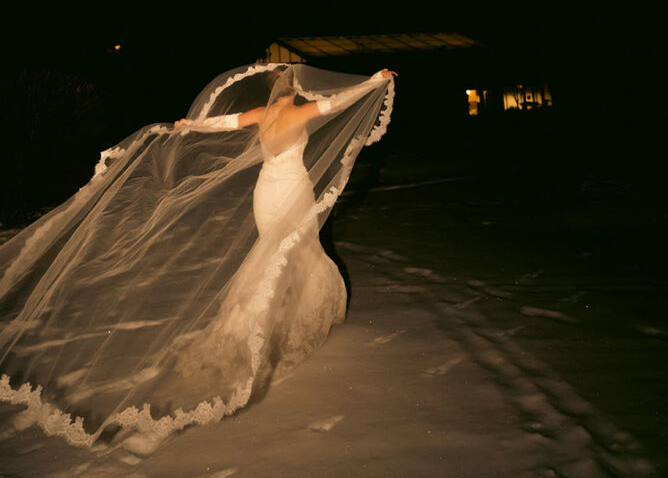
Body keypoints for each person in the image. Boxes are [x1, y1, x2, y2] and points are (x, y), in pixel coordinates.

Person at [0, 61, 396, 454]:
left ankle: (249, 325)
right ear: (295, 87)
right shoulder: (299, 112)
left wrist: (191, 125)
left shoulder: (263, 114)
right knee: (300, 253)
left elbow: (225, 123)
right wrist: (374, 81)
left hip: (265, 192)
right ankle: (284, 326)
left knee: (268, 258)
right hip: (291, 189)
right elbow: (338, 103)